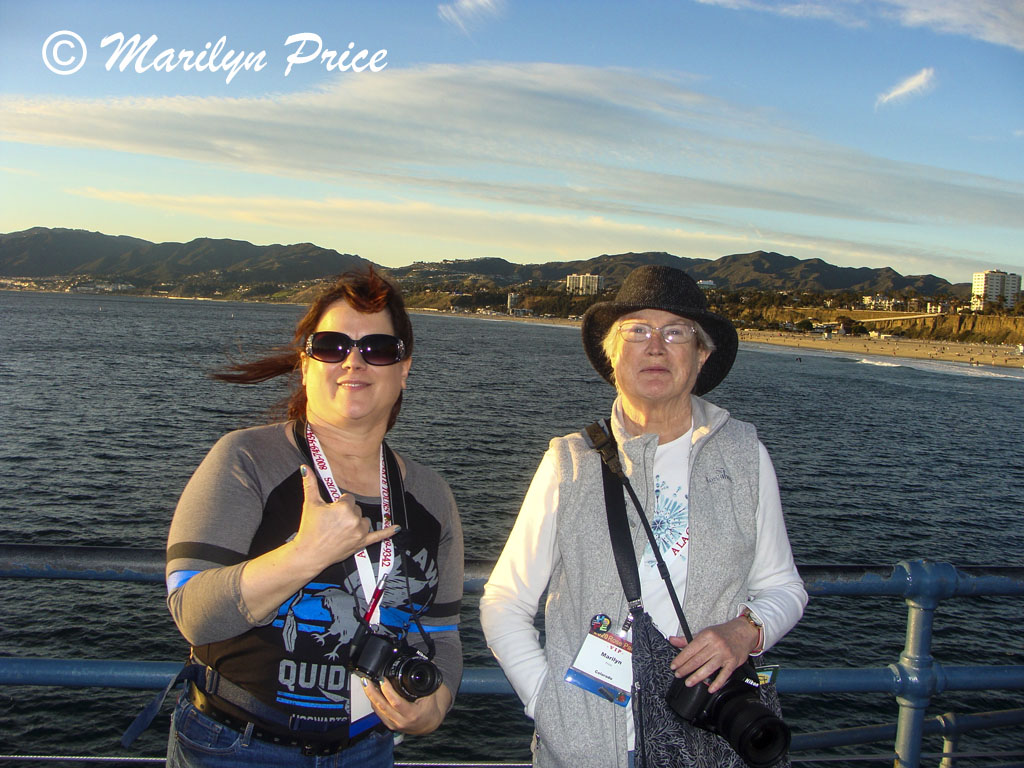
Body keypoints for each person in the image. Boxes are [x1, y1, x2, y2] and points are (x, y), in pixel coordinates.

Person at [480, 265, 807, 767]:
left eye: (676, 332)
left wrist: (745, 632)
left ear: (701, 356)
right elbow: (504, 600)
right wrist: (551, 705)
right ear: (613, 356)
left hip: (707, 739)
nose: (655, 347)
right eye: (637, 331)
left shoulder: (744, 454)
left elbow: (784, 588)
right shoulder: (568, 461)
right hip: (587, 749)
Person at [165, 268, 463, 767]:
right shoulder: (247, 459)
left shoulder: (431, 496)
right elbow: (193, 615)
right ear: (305, 365)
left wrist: (438, 703)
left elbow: (443, 634)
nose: (354, 361)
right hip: (235, 748)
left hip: (366, 750)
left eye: (378, 348)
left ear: (404, 368)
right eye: (331, 345)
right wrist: (304, 555)